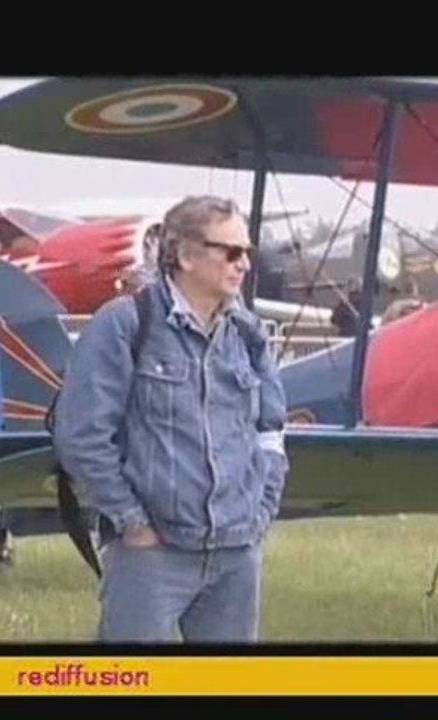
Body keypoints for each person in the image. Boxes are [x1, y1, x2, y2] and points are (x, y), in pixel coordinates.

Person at [52, 195, 289, 643]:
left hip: (236, 552)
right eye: (231, 251)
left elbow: (271, 432)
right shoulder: (124, 324)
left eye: (248, 253)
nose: (244, 265)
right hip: (151, 555)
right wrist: (132, 523)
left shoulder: (249, 334)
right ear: (183, 255)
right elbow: (81, 436)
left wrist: (259, 516)